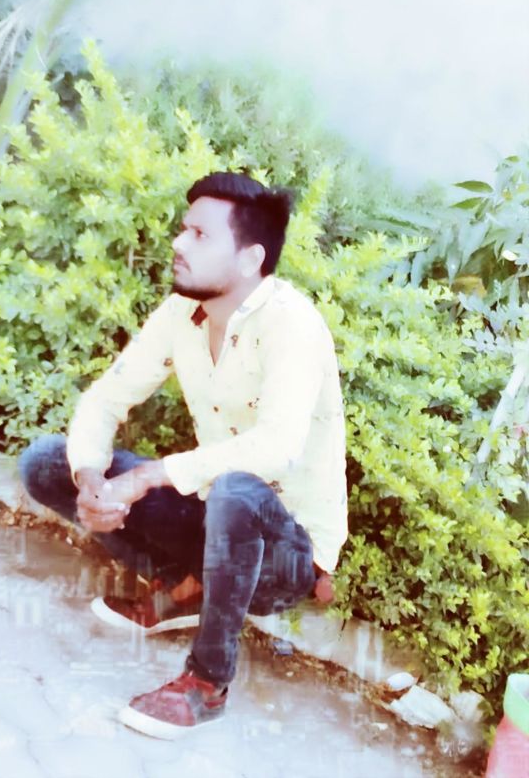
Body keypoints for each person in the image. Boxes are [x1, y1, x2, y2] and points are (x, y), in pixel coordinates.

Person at [19, 171, 348, 740]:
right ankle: (182, 589)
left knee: (238, 487)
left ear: (250, 259)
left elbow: (277, 448)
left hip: (286, 553)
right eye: (183, 229)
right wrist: (93, 480)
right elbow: (107, 397)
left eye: (200, 235)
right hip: (215, 516)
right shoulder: (181, 313)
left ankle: (208, 682)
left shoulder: (291, 324)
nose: (178, 243)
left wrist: (147, 477)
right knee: (47, 463)